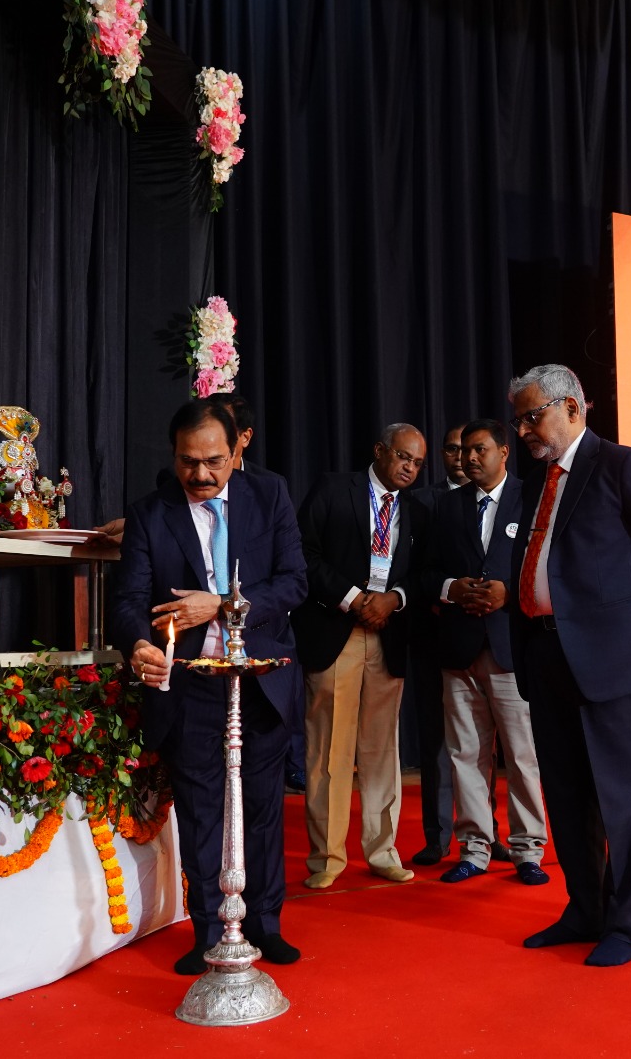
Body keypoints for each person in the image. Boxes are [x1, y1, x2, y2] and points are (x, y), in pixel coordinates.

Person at [112, 398, 307, 975]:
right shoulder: (151, 513)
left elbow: (294, 583)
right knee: (201, 813)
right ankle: (206, 931)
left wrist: (219, 606)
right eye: (187, 461)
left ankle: (266, 925)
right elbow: (127, 602)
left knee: (264, 811)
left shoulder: (268, 496)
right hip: (191, 685)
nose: (200, 474)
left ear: (239, 447)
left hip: (261, 681)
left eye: (214, 461)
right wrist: (139, 646)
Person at [507, 364, 631, 967]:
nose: (526, 429)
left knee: (622, 798)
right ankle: (584, 907)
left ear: (574, 407)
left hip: (610, 660)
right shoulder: (535, 479)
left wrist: (623, 622)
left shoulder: (622, 465)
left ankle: (627, 923)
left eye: (534, 416)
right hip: (546, 653)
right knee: (565, 795)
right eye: (520, 419)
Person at [292, 424, 429, 888]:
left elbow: (426, 571)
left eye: (417, 462)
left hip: (388, 633)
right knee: (329, 749)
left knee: (380, 749)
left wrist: (394, 599)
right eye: (403, 457)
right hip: (337, 628)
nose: (410, 467)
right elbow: (303, 554)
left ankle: (382, 850)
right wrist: (353, 598)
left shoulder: (418, 508)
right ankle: (327, 859)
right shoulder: (334, 489)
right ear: (379, 451)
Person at [419, 419, 549, 885]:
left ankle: (527, 849)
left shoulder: (530, 497)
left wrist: (507, 593)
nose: (470, 459)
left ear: (504, 452)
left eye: (480, 450)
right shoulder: (446, 506)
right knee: (465, 753)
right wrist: (452, 588)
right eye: (464, 451)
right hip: (458, 648)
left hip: (512, 646)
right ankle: (475, 846)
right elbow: (425, 571)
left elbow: (547, 565)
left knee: (521, 755)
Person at [207, 390, 309, 795]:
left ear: (243, 437)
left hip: (263, 635)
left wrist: (231, 607)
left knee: (262, 790)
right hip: (202, 654)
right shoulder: (179, 485)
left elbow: (292, 576)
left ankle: (293, 762)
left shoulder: (270, 488)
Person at [405, 423, 467, 867]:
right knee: (436, 744)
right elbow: (411, 568)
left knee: (483, 745)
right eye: (451, 449)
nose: (461, 457)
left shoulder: (506, 499)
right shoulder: (420, 501)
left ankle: (486, 835)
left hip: (482, 640)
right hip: (431, 637)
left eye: (470, 448)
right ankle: (437, 836)